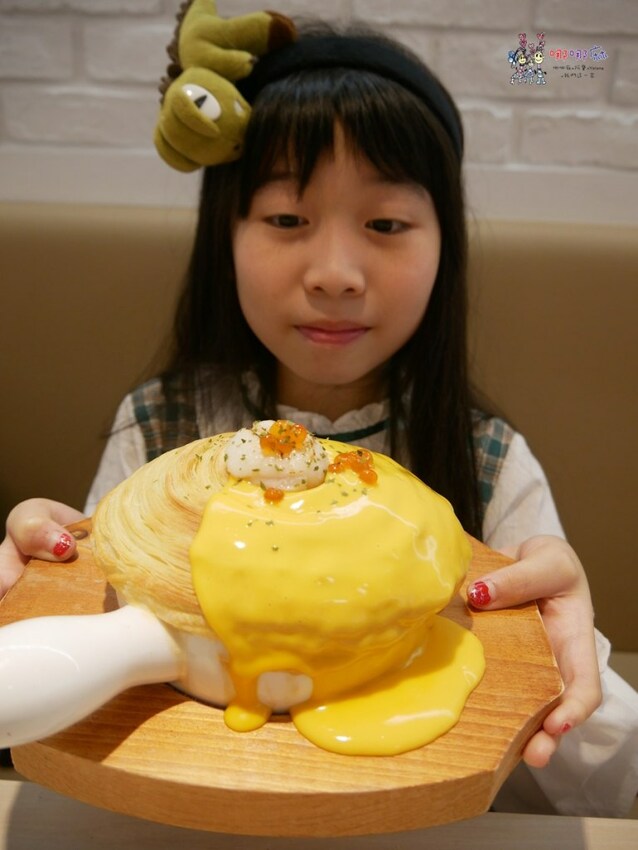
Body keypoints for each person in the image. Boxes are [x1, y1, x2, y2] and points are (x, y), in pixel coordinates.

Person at [1, 18, 637, 817]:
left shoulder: (488, 463)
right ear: (225, 235)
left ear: (445, 243)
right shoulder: (160, 429)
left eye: (386, 225)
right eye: (286, 220)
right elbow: (79, 703)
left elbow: (612, 778)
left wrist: (569, 657)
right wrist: (38, 589)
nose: (335, 274)